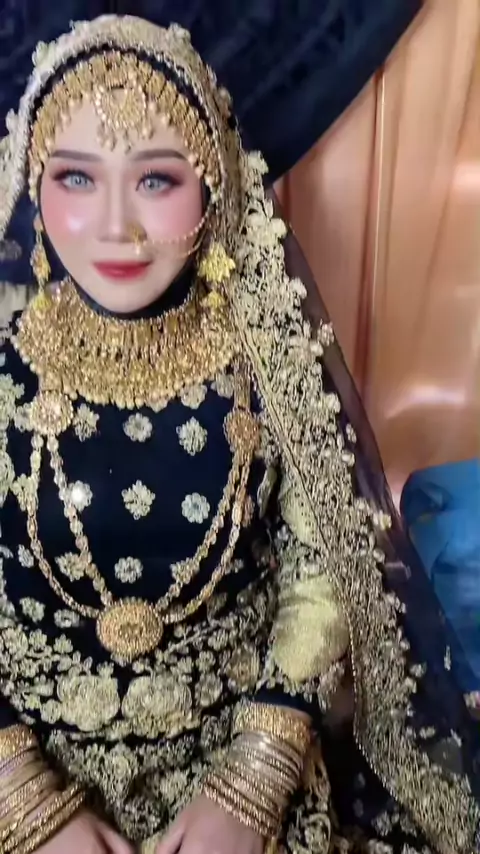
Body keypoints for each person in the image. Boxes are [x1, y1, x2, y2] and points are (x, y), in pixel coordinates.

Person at [0, 12, 479, 854]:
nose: (116, 226)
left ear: (214, 184)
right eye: (76, 177)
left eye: (156, 180)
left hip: (241, 770)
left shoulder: (270, 362)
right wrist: (25, 801)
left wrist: (255, 781)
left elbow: (324, 566)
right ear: (30, 183)